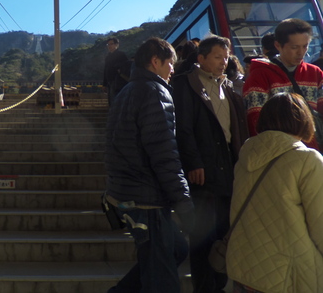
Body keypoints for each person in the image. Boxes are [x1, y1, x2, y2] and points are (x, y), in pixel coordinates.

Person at [104, 37, 194, 293]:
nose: (173, 70)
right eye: (170, 64)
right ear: (155, 62)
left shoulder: (126, 92)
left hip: (125, 192)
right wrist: (183, 201)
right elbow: (164, 153)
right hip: (146, 199)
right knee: (162, 281)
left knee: (176, 249)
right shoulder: (155, 92)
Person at [172, 35, 249, 293]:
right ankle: (204, 287)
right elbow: (183, 128)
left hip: (228, 168)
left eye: (225, 57)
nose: (223, 62)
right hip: (202, 171)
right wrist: (193, 162)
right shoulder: (186, 84)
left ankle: (218, 285)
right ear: (201, 58)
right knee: (202, 236)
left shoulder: (228, 87)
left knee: (223, 232)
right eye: (217, 57)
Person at [226, 92, 323, 292]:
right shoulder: (307, 160)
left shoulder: (247, 155)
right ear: (303, 120)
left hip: (245, 267)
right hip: (290, 274)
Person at [243, 18, 323, 148]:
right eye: (294, 47)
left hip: (314, 154)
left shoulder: (315, 73)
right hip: (279, 153)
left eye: (305, 46)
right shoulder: (260, 75)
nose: (301, 52)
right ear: (278, 45)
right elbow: (255, 121)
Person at [103, 37, 131, 106]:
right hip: (110, 81)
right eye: (108, 44)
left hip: (119, 82)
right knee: (111, 102)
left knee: (117, 101)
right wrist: (104, 84)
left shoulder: (121, 55)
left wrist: (118, 68)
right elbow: (105, 70)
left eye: (111, 44)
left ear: (116, 45)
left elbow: (127, 67)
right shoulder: (108, 57)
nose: (109, 46)